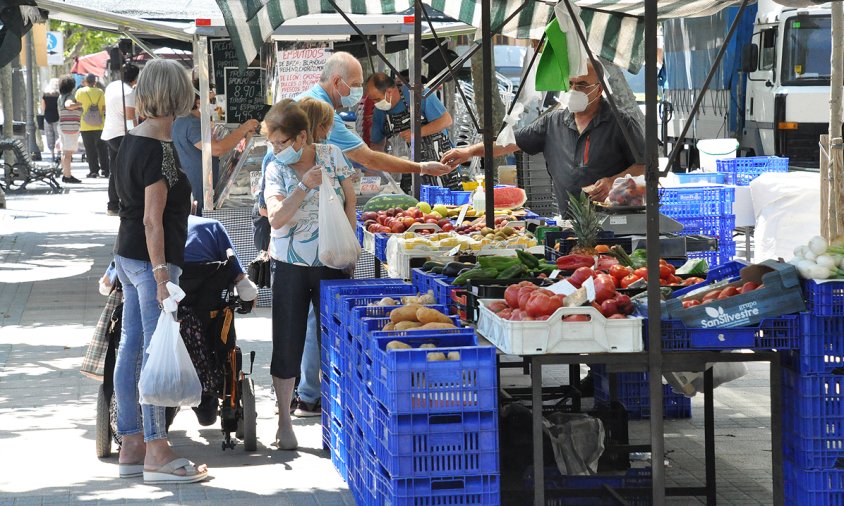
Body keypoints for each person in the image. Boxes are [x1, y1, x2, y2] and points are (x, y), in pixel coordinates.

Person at [111, 59, 207, 484]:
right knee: (151, 351)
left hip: (128, 257)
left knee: (132, 348)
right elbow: (152, 219)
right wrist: (162, 276)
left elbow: (122, 208)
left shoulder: (130, 141)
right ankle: (156, 449)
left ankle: (131, 442)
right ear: (177, 95)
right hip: (152, 261)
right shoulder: (159, 150)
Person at [263, 99, 355, 449]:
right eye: (273, 144)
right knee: (287, 340)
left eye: (281, 143)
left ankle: (336, 419)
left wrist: (348, 242)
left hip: (331, 261)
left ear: (301, 137)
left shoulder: (331, 155)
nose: (276, 150)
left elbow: (350, 198)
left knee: (334, 341)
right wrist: (303, 186)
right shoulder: (275, 167)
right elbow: (275, 218)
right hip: (289, 262)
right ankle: (285, 421)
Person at [441, 61, 645, 214]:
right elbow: (506, 144)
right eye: (571, 84)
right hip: (567, 220)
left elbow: (645, 165)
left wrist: (612, 181)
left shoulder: (622, 123)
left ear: (599, 89)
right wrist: (468, 151)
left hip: (616, 219)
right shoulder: (552, 122)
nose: (574, 90)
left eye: (582, 85)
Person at [296, 51, 452, 183]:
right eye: (355, 84)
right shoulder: (323, 111)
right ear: (336, 81)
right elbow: (368, 157)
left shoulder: (419, 95)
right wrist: (421, 167)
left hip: (440, 161)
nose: (357, 91)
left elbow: (446, 120)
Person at [172, 79, 260, 216]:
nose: (214, 106)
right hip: (198, 191)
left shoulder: (187, 121)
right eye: (212, 101)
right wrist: (244, 128)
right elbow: (217, 149)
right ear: (198, 102)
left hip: (196, 188)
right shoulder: (192, 123)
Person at [365, 71, 460, 192]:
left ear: (389, 91)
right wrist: (370, 177)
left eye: (377, 99)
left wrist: (416, 133)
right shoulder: (380, 112)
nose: (375, 104)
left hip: (441, 167)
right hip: (406, 174)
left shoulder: (419, 94)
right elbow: (376, 145)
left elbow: (445, 120)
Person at [102, 63, 140, 216]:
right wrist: (136, 135)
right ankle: (127, 203)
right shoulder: (129, 92)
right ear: (135, 78)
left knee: (114, 170)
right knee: (127, 170)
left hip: (110, 132)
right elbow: (130, 118)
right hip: (122, 134)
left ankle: (112, 205)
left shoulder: (112, 86)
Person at [75, 73, 109, 179]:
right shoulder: (100, 92)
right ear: (95, 82)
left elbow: (77, 105)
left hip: (85, 125)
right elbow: (104, 108)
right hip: (100, 124)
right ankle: (105, 170)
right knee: (102, 148)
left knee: (90, 149)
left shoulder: (80, 92)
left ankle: (93, 171)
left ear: (85, 81)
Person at [57, 75, 82, 184]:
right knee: (68, 153)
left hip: (62, 125)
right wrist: (79, 104)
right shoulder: (70, 96)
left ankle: (65, 174)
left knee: (65, 152)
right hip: (69, 127)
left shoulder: (60, 96)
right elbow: (69, 106)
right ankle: (67, 176)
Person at [41, 78, 61, 162]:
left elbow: (43, 107)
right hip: (57, 117)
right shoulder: (59, 95)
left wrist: (44, 113)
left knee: (49, 136)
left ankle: (52, 154)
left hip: (48, 117)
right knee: (58, 136)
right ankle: (59, 154)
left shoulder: (45, 95)